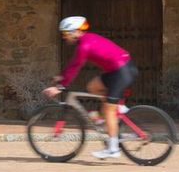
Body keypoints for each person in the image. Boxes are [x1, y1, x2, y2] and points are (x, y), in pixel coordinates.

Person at [43, 16, 138, 160]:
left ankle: (113, 149)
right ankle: (111, 112)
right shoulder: (87, 39)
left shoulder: (84, 46)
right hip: (120, 70)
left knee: (109, 111)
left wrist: (60, 87)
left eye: (65, 33)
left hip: (121, 73)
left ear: (74, 32)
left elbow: (76, 66)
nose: (64, 37)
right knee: (93, 86)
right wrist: (62, 77)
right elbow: (73, 63)